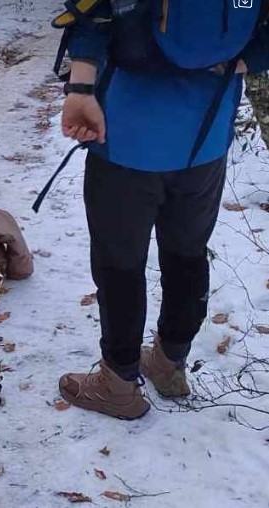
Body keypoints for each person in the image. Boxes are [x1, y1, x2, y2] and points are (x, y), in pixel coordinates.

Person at [54, 1, 269, 419]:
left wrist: (81, 88)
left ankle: (118, 384)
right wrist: (239, 62)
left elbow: (91, 15)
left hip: (124, 136)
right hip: (204, 140)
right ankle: (170, 364)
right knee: (187, 253)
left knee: (119, 262)